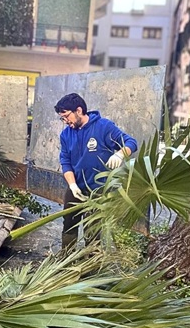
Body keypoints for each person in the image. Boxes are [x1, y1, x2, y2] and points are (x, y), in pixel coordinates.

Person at [56, 93, 138, 250]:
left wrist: (120, 153)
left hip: (98, 189)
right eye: (62, 118)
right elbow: (65, 162)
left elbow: (131, 142)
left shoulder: (103, 127)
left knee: (92, 228)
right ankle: (66, 258)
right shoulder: (66, 134)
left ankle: (90, 264)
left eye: (66, 116)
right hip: (77, 187)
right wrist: (72, 185)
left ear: (78, 110)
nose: (65, 121)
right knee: (69, 223)